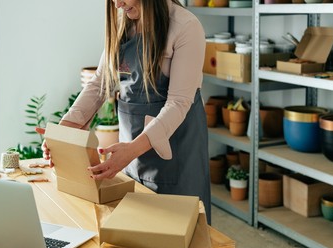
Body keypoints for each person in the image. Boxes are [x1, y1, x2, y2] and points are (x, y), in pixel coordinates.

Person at [42, 0, 211, 224]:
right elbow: (99, 84)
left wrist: (132, 150)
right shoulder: (124, 24)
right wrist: (65, 131)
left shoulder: (185, 26)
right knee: (139, 226)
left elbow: (179, 103)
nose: (117, 4)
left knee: (180, 232)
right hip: (130, 153)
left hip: (177, 152)